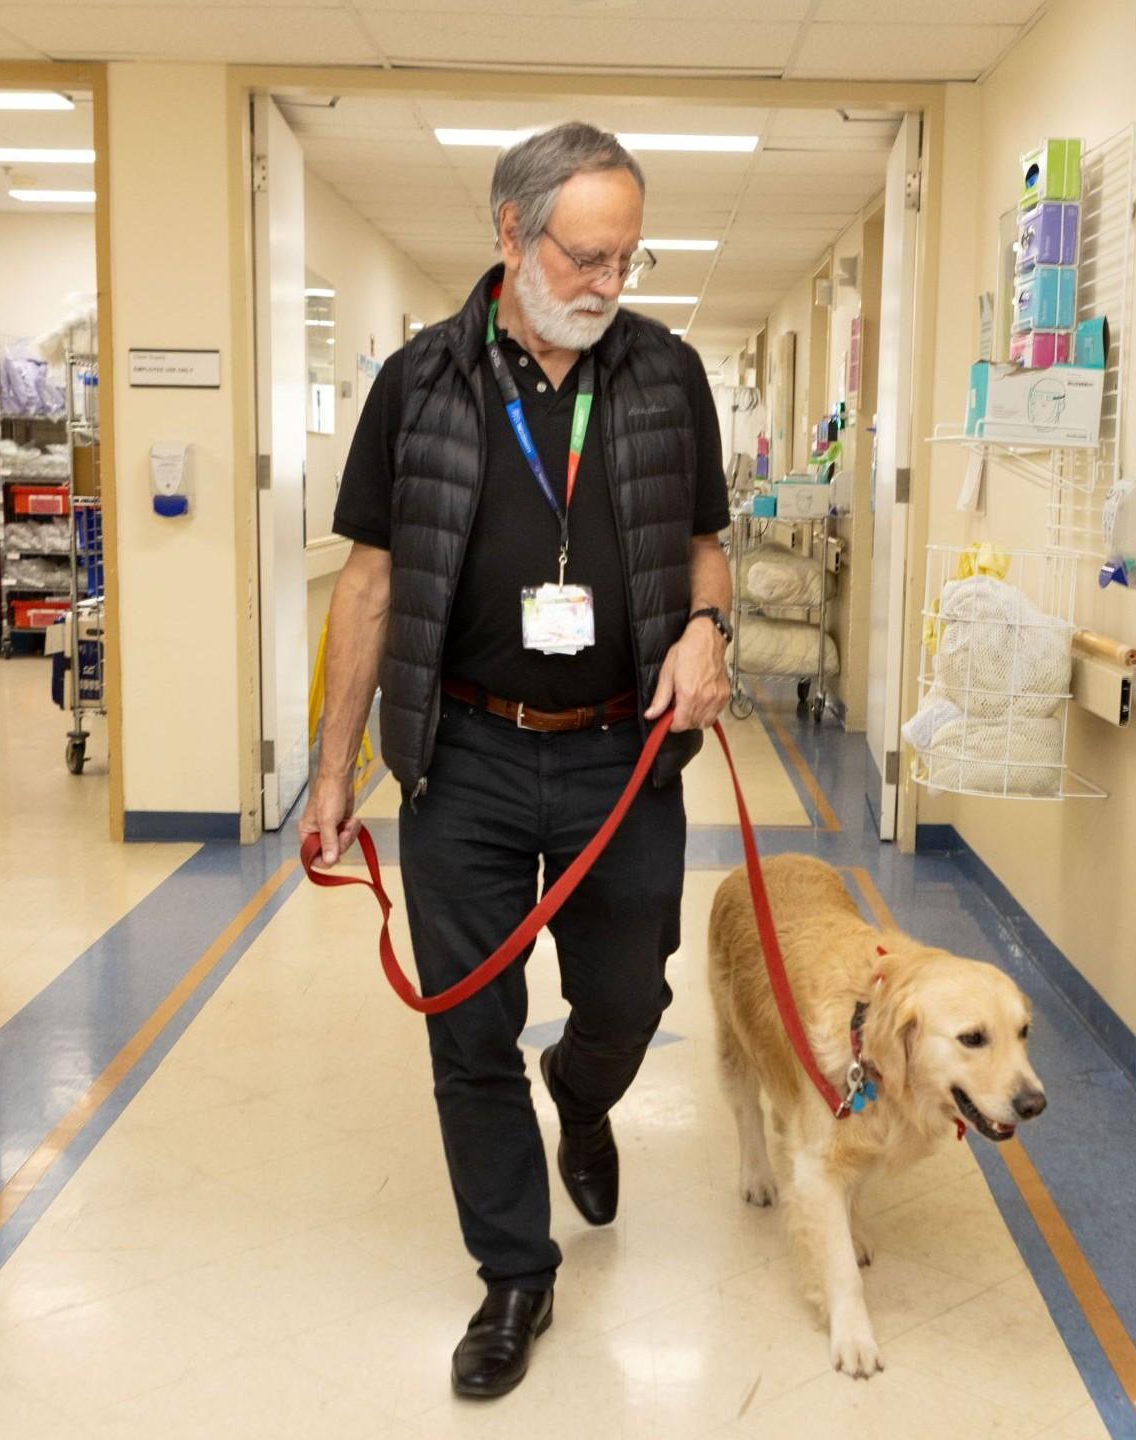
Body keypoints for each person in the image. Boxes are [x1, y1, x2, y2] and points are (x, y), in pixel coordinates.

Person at [302, 121, 733, 1400]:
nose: (606, 281)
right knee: (465, 1028)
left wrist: (707, 629)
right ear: (508, 230)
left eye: (625, 256)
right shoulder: (420, 383)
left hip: (622, 753)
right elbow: (370, 584)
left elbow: (706, 545)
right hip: (468, 755)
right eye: (584, 253)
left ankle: (586, 1096)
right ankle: (514, 1275)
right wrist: (335, 773)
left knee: (629, 1000)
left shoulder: (665, 375)